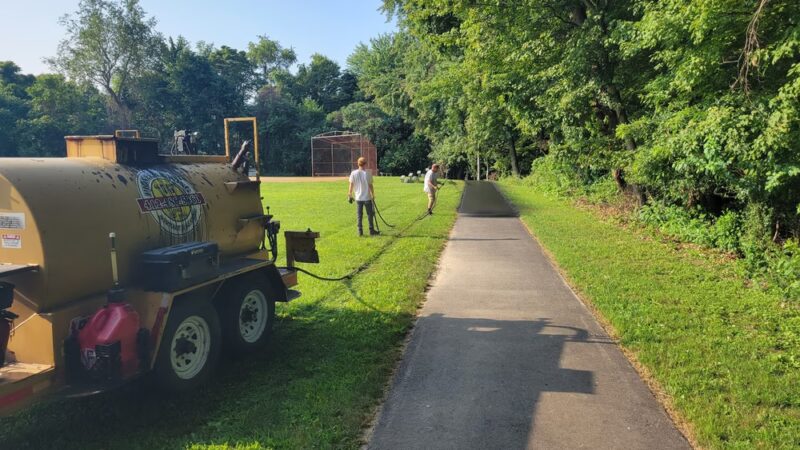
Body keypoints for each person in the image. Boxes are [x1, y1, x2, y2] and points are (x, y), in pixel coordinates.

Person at [348, 157, 379, 236]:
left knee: (359, 215)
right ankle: (371, 230)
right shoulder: (368, 173)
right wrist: (373, 194)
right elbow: (370, 185)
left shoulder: (353, 173)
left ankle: (360, 231)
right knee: (370, 214)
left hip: (358, 198)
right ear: (365, 164)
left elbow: (351, 185)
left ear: (358, 163)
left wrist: (350, 194)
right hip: (367, 197)